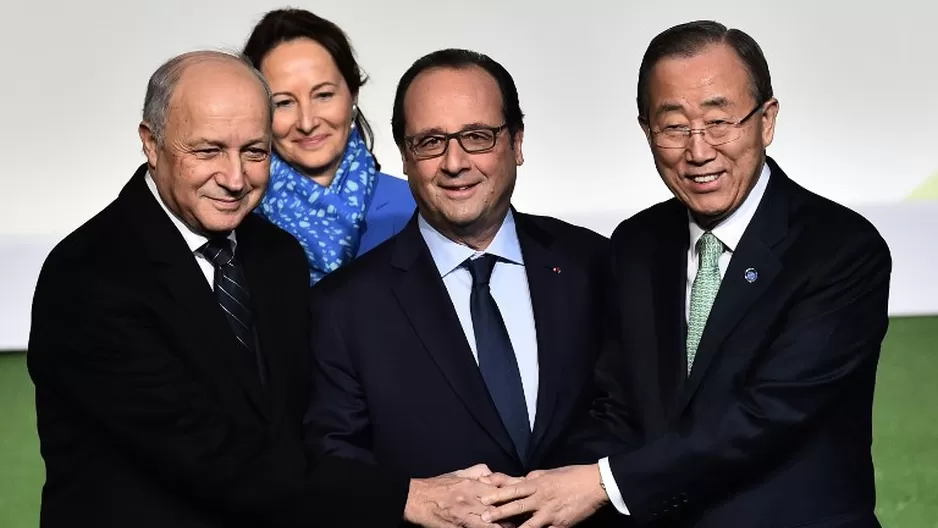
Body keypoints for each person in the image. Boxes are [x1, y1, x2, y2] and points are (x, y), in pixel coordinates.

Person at [26, 49, 508, 528]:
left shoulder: (276, 255)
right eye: (208, 150)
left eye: (254, 151)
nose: (235, 178)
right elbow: (205, 456)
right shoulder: (88, 276)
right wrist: (406, 497)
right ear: (151, 144)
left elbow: (301, 425)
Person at [479, 20, 892, 528]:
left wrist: (601, 483)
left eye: (720, 122)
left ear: (766, 120)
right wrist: (531, 491)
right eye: (674, 126)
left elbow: (767, 416)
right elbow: (618, 407)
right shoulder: (637, 245)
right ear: (646, 130)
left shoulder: (841, 249)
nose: (698, 152)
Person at [304, 48, 622, 520]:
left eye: (477, 137)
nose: (454, 163)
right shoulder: (343, 307)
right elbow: (328, 465)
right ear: (406, 158)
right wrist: (411, 499)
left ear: (516, 142)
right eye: (430, 142)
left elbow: (632, 412)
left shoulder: (594, 262)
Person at [243, 8, 415, 285]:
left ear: (353, 95)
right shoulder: (236, 221)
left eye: (323, 95)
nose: (307, 122)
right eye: (283, 102)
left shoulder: (416, 209)